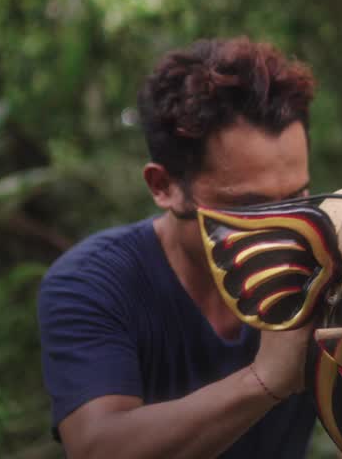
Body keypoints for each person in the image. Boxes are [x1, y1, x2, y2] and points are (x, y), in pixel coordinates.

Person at [38, 37, 319, 459]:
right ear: (164, 186)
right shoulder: (91, 283)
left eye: (297, 197)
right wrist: (265, 380)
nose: (283, 228)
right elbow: (98, 448)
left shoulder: (328, 266)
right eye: (249, 207)